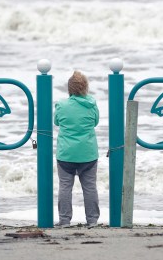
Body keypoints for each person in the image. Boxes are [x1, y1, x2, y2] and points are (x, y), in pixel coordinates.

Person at [54, 70, 100, 227]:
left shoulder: (61, 105)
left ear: (69, 88)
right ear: (85, 87)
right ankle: (92, 220)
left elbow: (56, 122)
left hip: (66, 153)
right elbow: (95, 122)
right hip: (88, 153)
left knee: (65, 187)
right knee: (90, 187)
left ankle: (64, 220)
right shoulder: (91, 104)